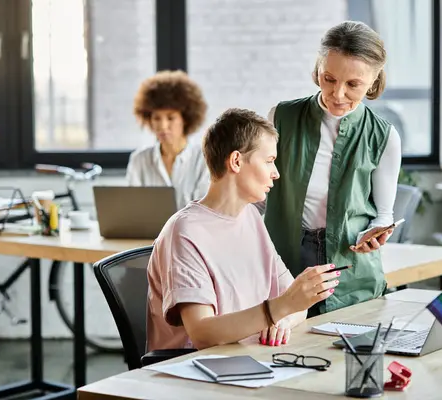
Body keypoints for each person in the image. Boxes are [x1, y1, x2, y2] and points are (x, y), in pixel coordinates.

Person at [146, 108, 340, 351]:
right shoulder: (184, 231)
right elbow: (202, 334)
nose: (276, 173)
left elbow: (295, 303)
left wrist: (282, 321)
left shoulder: (250, 216)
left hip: (251, 359)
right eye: (269, 161)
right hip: (197, 373)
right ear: (236, 161)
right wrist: (279, 309)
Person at [262, 21, 402, 317]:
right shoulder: (281, 118)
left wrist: (375, 233)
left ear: (373, 82)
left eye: (353, 85)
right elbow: (256, 197)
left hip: (352, 277)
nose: (338, 94)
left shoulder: (383, 136)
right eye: (329, 78)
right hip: (284, 267)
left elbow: (382, 215)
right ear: (318, 70)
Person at [127, 70, 210, 209]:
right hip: (149, 231)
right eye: (156, 118)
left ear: (186, 119)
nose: (163, 126)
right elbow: (133, 210)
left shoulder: (205, 160)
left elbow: (206, 211)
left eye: (170, 118)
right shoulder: (139, 160)